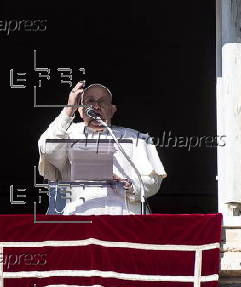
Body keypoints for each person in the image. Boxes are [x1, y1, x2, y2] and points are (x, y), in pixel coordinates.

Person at [38, 81, 167, 215]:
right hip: (82, 219)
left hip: (126, 219)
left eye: (102, 102)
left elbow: (153, 181)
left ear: (112, 109)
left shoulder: (136, 138)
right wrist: (68, 109)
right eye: (90, 101)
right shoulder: (67, 135)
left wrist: (128, 185)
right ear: (80, 110)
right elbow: (48, 150)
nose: (96, 106)